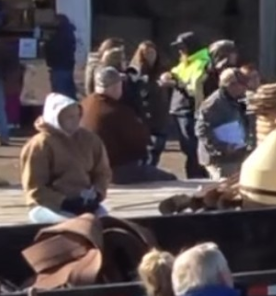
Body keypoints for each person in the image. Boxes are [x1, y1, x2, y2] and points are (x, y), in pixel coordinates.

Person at [21, 93, 112, 224]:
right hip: (48, 206)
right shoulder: (39, 145)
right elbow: (35, 188)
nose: (75, 120)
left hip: (85, 203)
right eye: (69, 117)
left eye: (77, 116)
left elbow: (103, 172)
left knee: (107, 225)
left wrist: (97, 194)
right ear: (55, 117)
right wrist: (64, 202)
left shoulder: (90, 140)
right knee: (75, 226)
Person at [83, 65, 169, 183]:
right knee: (169, 179)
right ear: (115, 87)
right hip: (116, 171)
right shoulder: (117, 112)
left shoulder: (84, 105)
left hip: (89, 170)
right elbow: (141, 140)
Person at [168, 33, 211, 180]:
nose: (180, 51)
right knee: (188, 149)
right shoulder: (187, 61)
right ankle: (195, 177)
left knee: (193, 150)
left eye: (182, 47)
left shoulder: (201, 62)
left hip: (189, 110)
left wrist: (176, 83)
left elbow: (195, 88)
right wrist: (169, 76)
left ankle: (197, 179)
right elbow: (178, 72)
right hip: (180, 109)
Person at [196, 68, 252, 180]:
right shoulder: (213, 103)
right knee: (223, 189)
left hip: (235, 155)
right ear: (231, 85)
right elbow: (201, 131)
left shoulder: (236, 100)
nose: (245, 88)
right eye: (242, 84)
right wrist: (223, 147)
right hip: (219, 159)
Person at [129, 41, 174, 165]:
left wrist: (170, 81)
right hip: (144, 113)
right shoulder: (135, 71)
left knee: (158, 147)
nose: (150, 56)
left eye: (152, 53)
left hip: (160, 114)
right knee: (146, 149)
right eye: (147, 53)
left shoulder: (163, 69)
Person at [43, 14, 80, 99]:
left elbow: (54, 49)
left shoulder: (61, 35)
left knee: (60, 93)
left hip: (59, 66)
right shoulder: (68, 32)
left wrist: (47, 43)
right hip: (67, 65)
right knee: (68, 90)